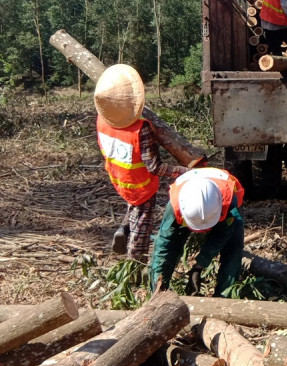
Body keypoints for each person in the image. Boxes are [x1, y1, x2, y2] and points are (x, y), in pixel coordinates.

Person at [94, 64, 188, 260]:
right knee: (142, 229)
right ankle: (134, 265)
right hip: (140, 185)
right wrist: (184, 171)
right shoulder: (140, 129)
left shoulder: (102, 120)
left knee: (132, 205)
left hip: (119, 179)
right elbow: (155, 167)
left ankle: (123, 228)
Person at [150, 167, 245, 297]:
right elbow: (165, 245)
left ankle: (224, 296)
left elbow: (222, 235)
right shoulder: (176, 205)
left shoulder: (228, 201)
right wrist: (158, 285)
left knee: (233, 246)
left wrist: (199, 266)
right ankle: (159, 293)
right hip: (194, 204)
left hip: (225, 207)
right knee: (169, 248)